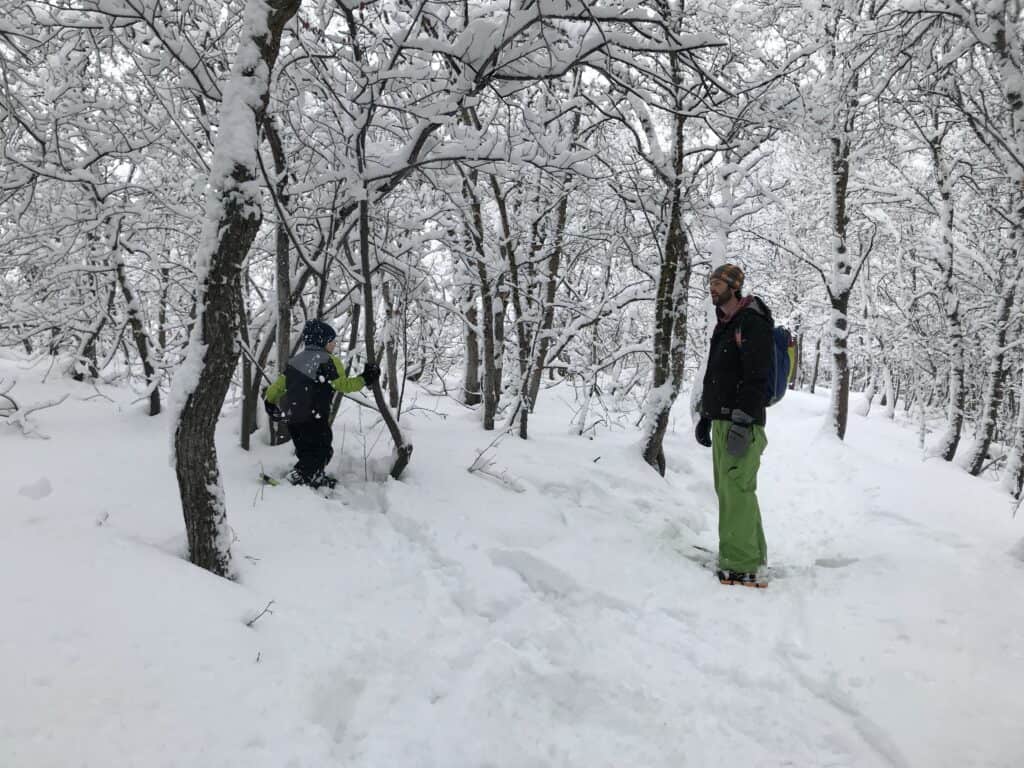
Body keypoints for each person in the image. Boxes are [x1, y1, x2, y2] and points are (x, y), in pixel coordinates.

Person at [694, 264, 773, 588]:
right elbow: (720, 376)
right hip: (723, 421)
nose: (712, 288)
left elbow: (757, 377)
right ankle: (752, 557)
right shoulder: (725, 324)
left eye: (718, 283)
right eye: (711, 282)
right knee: (733, 492)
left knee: (736, 492)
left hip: (741, 425)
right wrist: (706, 416)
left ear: (734, 287)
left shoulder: (751, 323)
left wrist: (741, 421)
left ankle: (741, 565)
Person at [264, 319, 380, 489]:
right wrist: (365, 378)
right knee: (322, 451)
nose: (334, 344)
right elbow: (343, 385)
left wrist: (270, 402)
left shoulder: (296, 361)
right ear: (322, 341)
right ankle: (296, 479)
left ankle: (314, 477)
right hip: (314, 418)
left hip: (294, 419)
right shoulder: (328, 361)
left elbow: (279, 386)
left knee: (305, 451)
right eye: (332, 341)